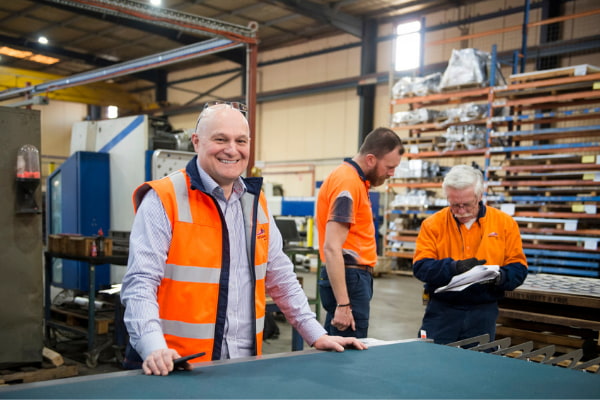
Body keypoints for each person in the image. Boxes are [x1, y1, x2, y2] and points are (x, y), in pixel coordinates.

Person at [120, 102, 367, 376]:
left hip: (242, 367)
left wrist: (316, 334)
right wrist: (154, 348)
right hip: (175, 366)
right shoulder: (163, 198)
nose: (232, 149)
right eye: (220, 139)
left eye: (241, 141)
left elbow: (280, 275)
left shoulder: (255, 202)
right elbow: (140, 283)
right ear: (196, 142)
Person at [413, 164, 528, 344]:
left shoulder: (504, 224)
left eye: (466, 204)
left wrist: (499, 277)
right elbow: (421, 267)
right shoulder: (432, 225)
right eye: (454, 205)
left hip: (483, 312)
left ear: (480, 196)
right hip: (442, 310)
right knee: (430, 363)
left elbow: (519, 269)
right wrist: (453, 267)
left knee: (478, 367)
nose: (460, 211)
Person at [316, 127, 404, 338]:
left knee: (337, 347)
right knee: (349, 355)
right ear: (371, 159)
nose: (392, 173)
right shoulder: (348, 183)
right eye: (389, 167)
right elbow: (332, 247)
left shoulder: (353, 179)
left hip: (350, 276)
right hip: (349, 277)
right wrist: (344, 304)